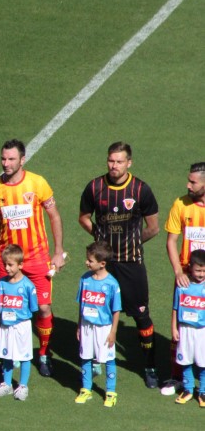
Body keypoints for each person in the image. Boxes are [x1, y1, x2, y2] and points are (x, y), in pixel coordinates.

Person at [79, 142, 159, 389]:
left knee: (141, 315)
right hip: (104, 264)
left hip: (131, 262)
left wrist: (133, 242)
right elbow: (84, 218)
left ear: (129, 163)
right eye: (111, 161)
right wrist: (100, 241)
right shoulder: (95, 187)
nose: (114, 166)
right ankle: (95, 359)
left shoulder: (141, 190)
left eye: (119, 162)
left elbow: (153, 228)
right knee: (95, 310)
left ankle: (150, 366)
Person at [0, 139, 66, 376]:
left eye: (11, 159)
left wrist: (58, 252)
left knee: (43, 307)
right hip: (7, 259)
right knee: (8, 308)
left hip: (37, 257)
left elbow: (54, 215)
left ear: (22, 159)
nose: (6, 163)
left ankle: (44, 354)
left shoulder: (37, 183)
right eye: (3, 158)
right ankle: (9, 357)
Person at [162, 162, 205, 395]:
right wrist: (179, 271)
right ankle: (177, 376)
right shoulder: (181, 204)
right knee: (181, 325)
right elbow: (171, 241)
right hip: (187, 279)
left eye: (193, 182)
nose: (188, 185)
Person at [74, 241, 122, 408]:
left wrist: (113, 331)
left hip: (104, 328)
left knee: (108, 359)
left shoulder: (112, 284)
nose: (87, 262)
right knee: (85, 357)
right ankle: (86, 389)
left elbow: (116, 310)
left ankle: (110, 391)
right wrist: (79, 325)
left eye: (90, 260)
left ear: (102, 264)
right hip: (86, 326)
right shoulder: (85, 279)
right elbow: (81, 305)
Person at [0, 244, 39, 401]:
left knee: (24, 356)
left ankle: (23, 386)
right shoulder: (2, 284)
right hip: (6, 326)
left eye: (10, 265)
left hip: (22, 326)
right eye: (4, 264)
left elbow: (33, 308)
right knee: (6, 355)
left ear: (20, 265)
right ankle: (7, 384)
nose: (6, 268)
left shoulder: (28, 286)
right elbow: (0, 305)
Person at [171, 249, 205, 405]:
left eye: (204, 271)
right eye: (198, 270)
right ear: (190, 267)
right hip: (185, 329)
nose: (201, 274)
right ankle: (188, 389)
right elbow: (175, 308)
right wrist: (174, 328)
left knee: (203, 363)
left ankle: (203, 391)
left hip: (202, 330)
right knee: (185, 360)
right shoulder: (182, 286)